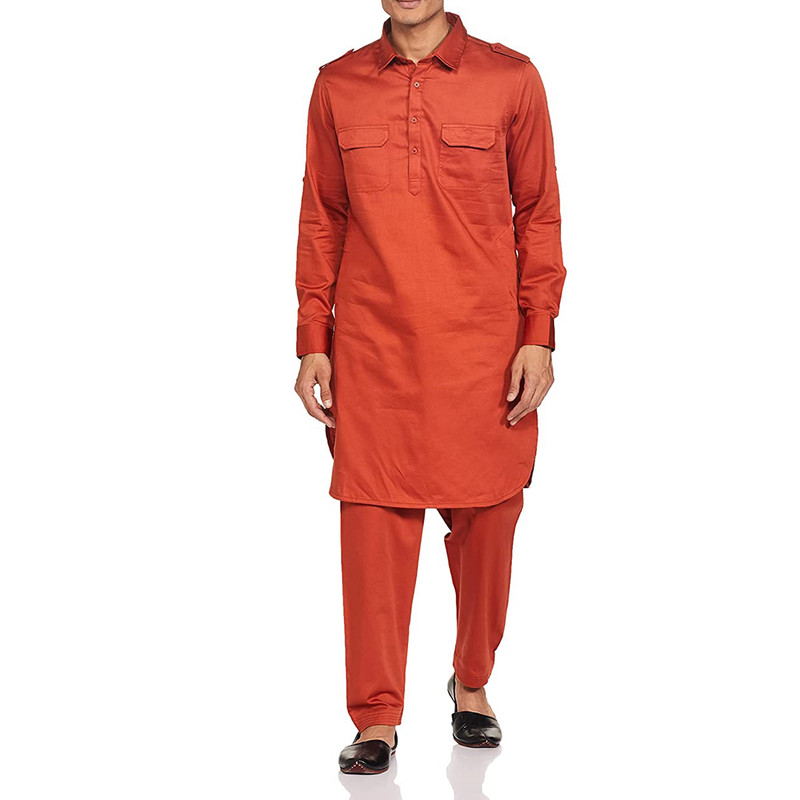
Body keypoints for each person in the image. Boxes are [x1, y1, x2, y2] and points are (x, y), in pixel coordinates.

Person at [293, 0, 566, 775]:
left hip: (484, 349)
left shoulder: (512, 79)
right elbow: (322, 217)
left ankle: (472, 681)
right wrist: (313, 339)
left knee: (490, 524)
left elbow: (538, 213)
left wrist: (538, 333)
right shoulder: (337, 85)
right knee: (373, 533)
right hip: (374, 348)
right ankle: (375, 717)